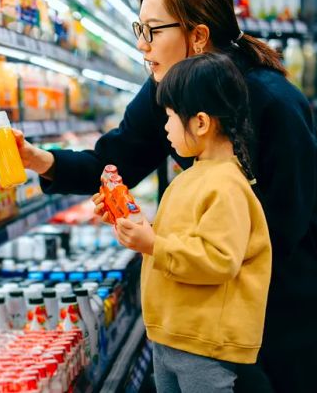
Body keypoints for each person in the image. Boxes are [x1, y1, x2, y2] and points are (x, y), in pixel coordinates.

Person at [0, 0, 317, 393]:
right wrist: (37, 159)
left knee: (288, 375)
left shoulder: (271, 101)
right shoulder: (169, 87)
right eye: (140, 28)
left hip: (295, 270)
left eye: (153, 30)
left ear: (197, 36)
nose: (142, 45)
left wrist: (169, 245)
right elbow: (113, 157)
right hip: (223, 260)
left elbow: (283, 225)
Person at [115, 52, 271, 393]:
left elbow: (217, 259)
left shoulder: (226, 186)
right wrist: (137, 225)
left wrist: (153, 244)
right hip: (172, 333)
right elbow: (178, 240)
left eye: (170, 116)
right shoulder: (192, 177)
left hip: (204, 342)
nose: (166, 127)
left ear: (200, 122)